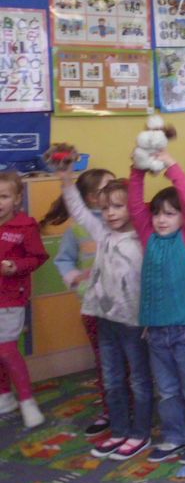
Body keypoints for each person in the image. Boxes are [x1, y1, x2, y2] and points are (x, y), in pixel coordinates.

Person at [128, 151, 185, 464]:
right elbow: (135, 205)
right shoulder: (148, 237)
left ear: (182, 218)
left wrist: (171, 165)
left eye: (169, 213)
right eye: (157, 214)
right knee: (166, 390)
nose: (161, 219)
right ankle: (175, 436)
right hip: (156, 330)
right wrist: (137, 170)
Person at [60, 170, 151, 459]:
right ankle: (120, 430)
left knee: (139, 380)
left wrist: (150, 320)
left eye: (118, 206)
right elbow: (78, 211)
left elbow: (152, 282)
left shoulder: (142, 240)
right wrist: (65, 179)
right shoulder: (103, 235)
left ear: (132, 207)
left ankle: (140, 433)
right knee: (112, 379)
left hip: (134, 323)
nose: (110, 213)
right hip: (105, 320)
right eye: (105, 208)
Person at [46, 167, 115, 436]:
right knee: (105, 360)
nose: (114, 191)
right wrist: (76, 279)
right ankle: (110, 409)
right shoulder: (78, 228)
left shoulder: (122, 220)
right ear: (91, 197)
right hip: (94, 306)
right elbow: (63, 260)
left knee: (130, 358)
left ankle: (131, 403)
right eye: (107, 187)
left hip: (124, 305)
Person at [0, 171, 48, 429]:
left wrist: (15, 266)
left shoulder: (25, 226)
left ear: (17, 198)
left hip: (10, 298)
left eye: (4, 196)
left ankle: (28, 400)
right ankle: (4, 396)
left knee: (6, 349)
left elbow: (38, 257)